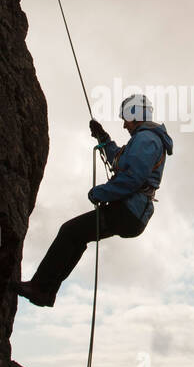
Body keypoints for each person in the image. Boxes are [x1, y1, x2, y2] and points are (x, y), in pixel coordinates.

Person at [15, 93, 173, 306]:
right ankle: (44, 291)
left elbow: (133, 178)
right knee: (76, 235)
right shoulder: (144, 139)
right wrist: (104, 139)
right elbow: (120, 161)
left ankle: (41, 289)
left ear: (135, 113)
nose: (124, 124)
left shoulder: (146, 139)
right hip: (132, 212)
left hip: (128, 211)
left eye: (126, 117)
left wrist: (101, 192)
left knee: (70, 231)